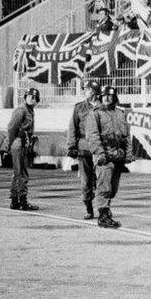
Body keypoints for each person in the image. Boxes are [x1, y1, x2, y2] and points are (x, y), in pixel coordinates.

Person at [86, 86, 133, 229]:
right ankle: (103, 215)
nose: (107, 98)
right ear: (100, 97)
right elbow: (92, 136)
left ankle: (105, 208)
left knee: (113, 189)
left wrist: (128, 153)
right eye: (104, 96)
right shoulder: (95, 114)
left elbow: (126, 136)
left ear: (115, 98)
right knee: (104, 187)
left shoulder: (120, 113)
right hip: (104, 155)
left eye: (110, 96)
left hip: (118, 155)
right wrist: (100, 153)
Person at [67, 80, 102, 220]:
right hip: (83, 148)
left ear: (93, 91)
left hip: (99, 149)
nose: (84, 92)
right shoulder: (79, 108)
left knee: (101, 180)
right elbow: (72, 128)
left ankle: (102, 208)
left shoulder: (103, 107)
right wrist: (71, 146)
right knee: (86, 181)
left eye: (86, 89)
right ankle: (89, 208)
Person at [7, 88, 41, 211]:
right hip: (19, 142)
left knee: (18, 172)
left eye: (35, 98)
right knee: (21, 173)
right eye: (31, 97)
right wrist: (11, 144)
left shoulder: (30, 110)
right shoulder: (21, 110)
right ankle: (22, 201)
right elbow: (11, 128)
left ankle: (15, 200)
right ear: (26, 97)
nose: (33, 99)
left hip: (24, 142)